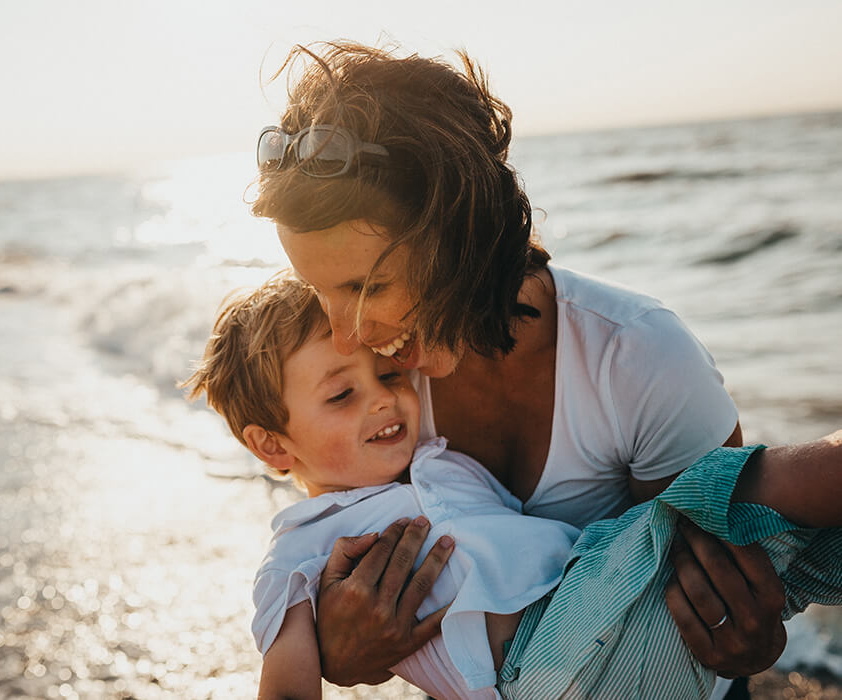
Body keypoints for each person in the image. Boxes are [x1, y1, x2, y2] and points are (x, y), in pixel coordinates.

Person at [250, 41, 787, 697]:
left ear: (462, 234)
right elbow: (340, 572)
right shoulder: (369, 390)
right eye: (318, 291)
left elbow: (720, 588)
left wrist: (748, 638)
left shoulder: (638, 357)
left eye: (369, 287)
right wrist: (342, 652)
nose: (343, 333)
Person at [182, 276, 842, 700]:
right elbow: (289, 686)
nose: (383, 401)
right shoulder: (300, 550)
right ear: (272, 444)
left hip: (612, 613)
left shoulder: (441, 462)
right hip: (542, 666)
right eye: (341, 394)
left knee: (805, 545)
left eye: (386, 376)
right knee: (759, 487)